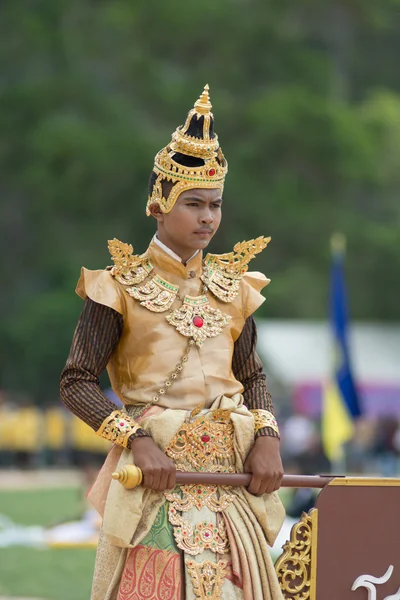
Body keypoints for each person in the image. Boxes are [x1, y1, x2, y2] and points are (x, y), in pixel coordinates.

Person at [60, 85, 285, 600]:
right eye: (194, 204)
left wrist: (268, 437)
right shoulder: (117, 288)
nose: (208, 217)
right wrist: (135, 440)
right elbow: (75, 382)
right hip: (156, 482)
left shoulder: (235, 289)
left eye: (216, 205)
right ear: (160, 205)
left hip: (231, 486)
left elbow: (251, 374)